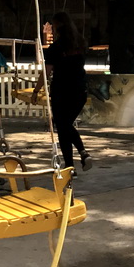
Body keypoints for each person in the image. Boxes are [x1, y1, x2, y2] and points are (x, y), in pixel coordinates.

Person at [32, 12, 91, 171]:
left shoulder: (56, 48)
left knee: (63, 126)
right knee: (65, 127)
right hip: (80, 90)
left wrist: (36, 90)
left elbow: (46, 72)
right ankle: (74, 163)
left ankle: (80, 155)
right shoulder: (80, 44)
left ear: (58, 26)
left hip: (62, 92)